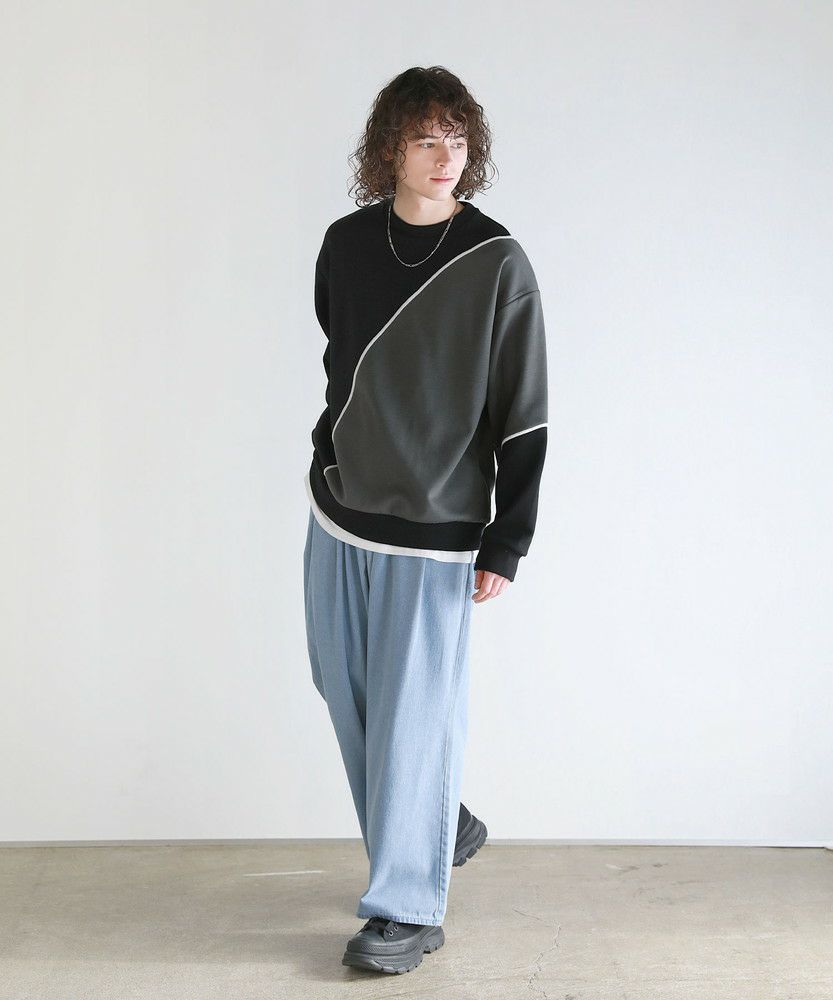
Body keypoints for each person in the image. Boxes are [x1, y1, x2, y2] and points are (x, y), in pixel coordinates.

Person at [302, 65, 548, 975]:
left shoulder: (497, 260)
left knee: (415, 717)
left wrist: (507, 539)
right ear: (389, 151)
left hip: (438, 526)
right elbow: (340, 360)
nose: (445, 156)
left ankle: (405, 907)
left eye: (457, 138)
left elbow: (524, 409)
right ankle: (439, 822)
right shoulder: (345, 244)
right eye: (424, 139)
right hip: (339, 507)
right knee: (342, 687)